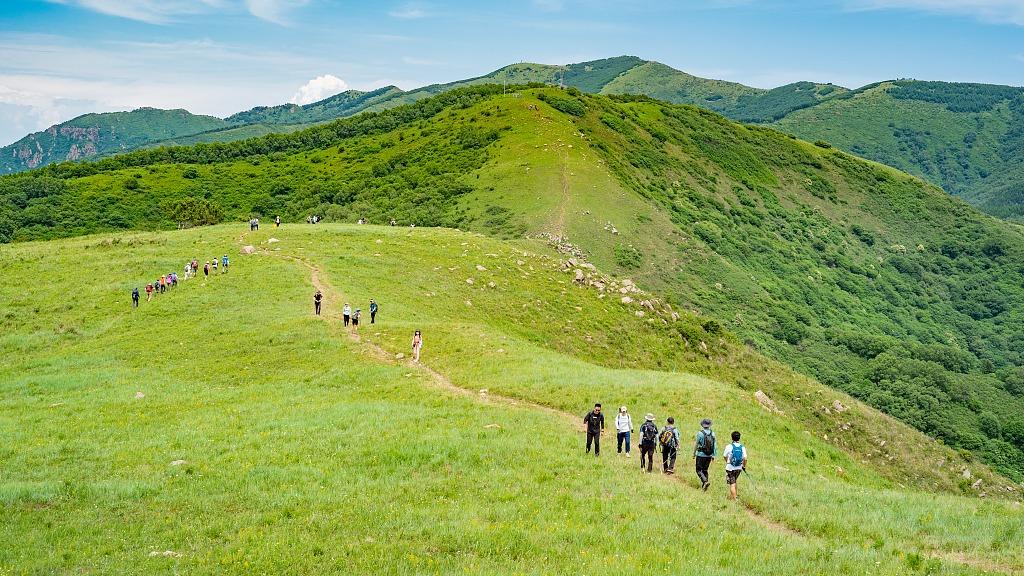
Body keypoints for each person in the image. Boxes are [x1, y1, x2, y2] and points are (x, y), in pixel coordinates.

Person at [694, 418, 717, 491]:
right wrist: (713, 454)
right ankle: (705, 485)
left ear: (702, 425)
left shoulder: (700, 433)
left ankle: (705, 481)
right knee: (705, 470)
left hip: (701, 454)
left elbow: (696, 444)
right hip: (709, 455)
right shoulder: (712, 433)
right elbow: (714, 445)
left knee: (698, 470)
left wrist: (694, 453)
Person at [724, 431, 748, 500]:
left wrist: (727, 462)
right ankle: (734, 496)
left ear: (732, 438)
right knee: (734, 481)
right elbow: (745, 458)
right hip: (739, 468)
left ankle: (735, 499)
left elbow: (724, 456)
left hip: (730, 468)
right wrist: (744, 466)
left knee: (732, 484)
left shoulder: (729, 446)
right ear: (739, 438)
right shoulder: (742, 447)